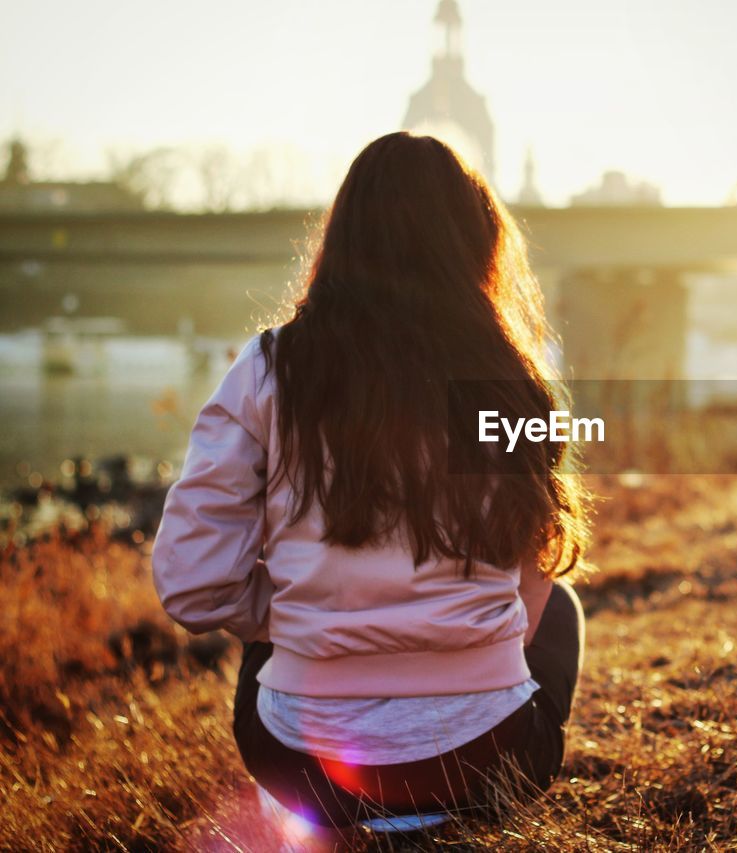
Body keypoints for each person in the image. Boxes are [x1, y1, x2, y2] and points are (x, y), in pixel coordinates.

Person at [151, 132, 591, 830]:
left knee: (269, 648)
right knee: (560, 605)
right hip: (487, 761)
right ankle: (456, 808)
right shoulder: (512, 383)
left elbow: (193, 583)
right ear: (477, 244)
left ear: (343, 237)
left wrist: (303, 617)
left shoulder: (269, 368)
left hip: (305, 769)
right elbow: (534, 564)